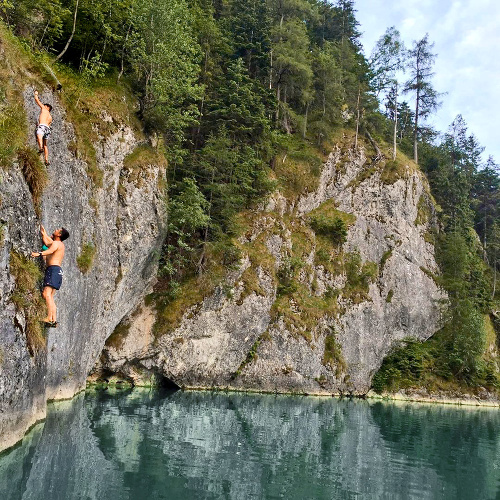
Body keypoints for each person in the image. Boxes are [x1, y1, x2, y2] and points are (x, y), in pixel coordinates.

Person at [31, 225, 70, 327]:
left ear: (59, 234)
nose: (56, 230)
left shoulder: (57, 243)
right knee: (49, 296)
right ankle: (53, 319)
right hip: (57, 271)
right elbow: (48, 242)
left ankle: (49, 318)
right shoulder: (59, 244)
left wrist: (39, 254)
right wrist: (44, 233)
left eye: (58, 230)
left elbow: (50, 250)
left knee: (46, 294)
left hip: (53, 270)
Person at [34, 90, 53, 166]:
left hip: (42, 126)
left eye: (44, 105)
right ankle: (46, 160)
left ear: (47, 107)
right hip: (47, 129)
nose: (43, 106)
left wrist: (36, 94)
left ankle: (40, 148)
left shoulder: (44, 109)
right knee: (46, 145)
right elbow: (48, 124)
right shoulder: (50, 117)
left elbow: (36, 100)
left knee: (39, 135)